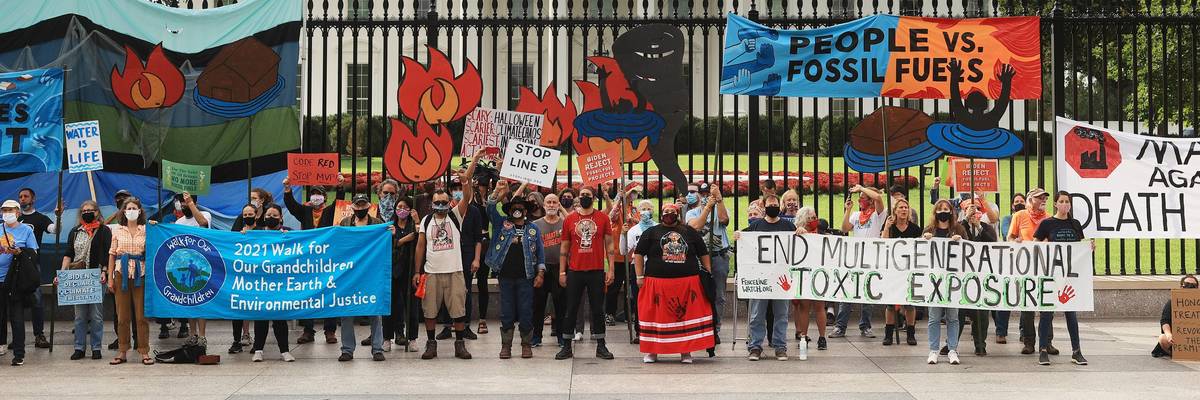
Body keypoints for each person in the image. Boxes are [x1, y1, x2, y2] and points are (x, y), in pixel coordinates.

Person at [415, 150, 484, 360]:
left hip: (454, 271)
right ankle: (431, 343)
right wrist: (417, 272)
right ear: (431, 203)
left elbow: (467, 195)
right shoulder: (426, 221)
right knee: (429, 311)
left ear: (449, 203)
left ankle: (460, 344)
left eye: (444, 202)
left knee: (458, 309)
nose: (441, 205)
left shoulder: (456, 216)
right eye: (437, 202)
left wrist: (467, 179)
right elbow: (420, 247)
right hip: (432, 272)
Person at [633, 203, 715, 364]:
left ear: (677, 214)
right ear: (661, 214)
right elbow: (638, 254)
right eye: (666, 211)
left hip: (686, 284)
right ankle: (652, 352)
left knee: (685, 317)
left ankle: (685, 352)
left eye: (672, 211)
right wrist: (639, 276)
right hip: (656, 283)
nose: (669, 214)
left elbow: (703, 252)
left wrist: (708, 270)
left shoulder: (689, 232)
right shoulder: (651, 232)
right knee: (655, 317)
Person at [484, 182, 545, 359]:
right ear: (509, 210)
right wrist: (497, 191)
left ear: (526, 211)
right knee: (507, 311)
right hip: (505, 276)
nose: (517, 210)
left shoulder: (533, 229)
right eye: (514, 208)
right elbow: (489, 208)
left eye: (521, 208)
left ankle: (526, 344)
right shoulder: (501, 224)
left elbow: (540, 253)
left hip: (526, 276)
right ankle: (506, 346)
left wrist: (540, 273)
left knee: (526, 311)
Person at [555, 186, 616, 360]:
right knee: (571, 309)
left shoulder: (602, 218)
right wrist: (561, 272)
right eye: (581, 195)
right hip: (575, 270)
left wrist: (610, 268)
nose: (584, 197)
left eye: (587, 195)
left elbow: (610, 246)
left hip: (596, 271)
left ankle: (601, 345)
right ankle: (566, 345)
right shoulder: (570, 219)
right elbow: (564, 248)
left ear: (593, 198)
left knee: (597, 309)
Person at [283, 177, 342, 344]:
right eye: (313, 194)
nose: (316, 196)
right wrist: (287, 189)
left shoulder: (330, 211)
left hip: (327, 259)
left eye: (319, 194)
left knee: (330, 293)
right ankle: (308, 331)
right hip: (309, 260)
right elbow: (292, 206)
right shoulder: (305, 212)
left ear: (325, 197)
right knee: (307, 294)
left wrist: (339, 187)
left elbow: (340, 203)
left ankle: (330, 331)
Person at [1033, 191, 1089, 366]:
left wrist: (1089, 247)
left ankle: (1076, 351)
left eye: (1067, 201)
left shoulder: (1075, 224)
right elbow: (1035, 244)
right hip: (1052, 274)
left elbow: (1080, 248)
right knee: (1046, 313)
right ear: (1056, 204)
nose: (1065, 204)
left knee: (1071, 314)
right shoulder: (1047, 223)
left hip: (1070, 277)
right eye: (1062, 201)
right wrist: (1044, 245)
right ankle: (1042, 350)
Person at [736, 194, 794, 361]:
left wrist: (800, 231)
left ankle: (780, 346)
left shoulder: (787, 226)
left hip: (781, 279)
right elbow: (744, 243)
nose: (773, 207)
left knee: (781, 314)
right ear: (764, 207)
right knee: (756, 315)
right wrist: (739, 236)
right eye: (770, 204)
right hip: (760, 279)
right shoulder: (755, 226)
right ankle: (755, 346)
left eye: (776, 204)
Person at [240, 204, 296, 362]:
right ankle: (258, 350)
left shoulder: (288, 233)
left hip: (280, 283)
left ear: (281, 218)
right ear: (263, 217)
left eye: (275, 216)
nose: (271, 218)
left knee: (280, 318)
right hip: (260, 282)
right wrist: (243, 235)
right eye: (268, 216)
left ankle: (285, 351)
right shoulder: (256, 234)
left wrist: (289, 238)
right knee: (261, 317)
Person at [338, 194, 388, 362]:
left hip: (372, 273)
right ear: (352, 207)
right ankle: (347, 349)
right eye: (357, 206)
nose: (360, 208)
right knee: (346, 311)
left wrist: (391, 233)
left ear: (368, 206)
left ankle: (377, 349)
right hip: (350, 274)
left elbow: (385, 245)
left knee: (375, 311)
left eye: (363, 205)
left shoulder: (378, 224)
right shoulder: (345, 223)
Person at [59, 201, 112, 360]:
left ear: (97, 212)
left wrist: (105, 272)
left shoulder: (104, 230)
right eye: (84, 210)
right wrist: (62, 273)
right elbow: (68, 253)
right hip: (78, 277)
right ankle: (79, 347)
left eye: (90, 210)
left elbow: (107, 253)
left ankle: (96, 347)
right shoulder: (75, 231)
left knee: (96, 315)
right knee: (80, 316)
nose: (87, 212)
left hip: (96, 276)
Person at [834, 184, 885, 339]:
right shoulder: (856, 215)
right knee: (848, 292)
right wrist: (847, 210)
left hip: (871, 258)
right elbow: (844, 228)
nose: (859, 200)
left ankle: (865, 326)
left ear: (869, 201)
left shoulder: (878, 214)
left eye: (862, 198)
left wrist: (861, 188)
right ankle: (840, 326)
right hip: (855, 258)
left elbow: (878, 197)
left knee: (867, 294)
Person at [107, 197, 151, 365]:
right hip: (121, 272)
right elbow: (112, 254)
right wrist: (110, 278)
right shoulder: (117, 230)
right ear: (124, 212)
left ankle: (144, 351)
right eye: (128, 208)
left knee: (141, 316)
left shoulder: (147, 230)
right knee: (122, 316)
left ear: (140, 211)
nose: (131, 211)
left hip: (141, 273)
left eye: (135, 208)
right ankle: (122, 350)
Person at [922, 199, 966, 365]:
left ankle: (952, 349)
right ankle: (933, 350)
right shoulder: (929, 230)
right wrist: (924, 239)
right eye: (940, 209)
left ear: (951, 212)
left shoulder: (958, 229)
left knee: (953, 317)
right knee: (934, 317)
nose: (943, 211)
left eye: (946, 209)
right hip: (934, 280)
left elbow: (970, 250)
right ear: (935, 212)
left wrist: (961, 240)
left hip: (953, 279)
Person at [685, 182, 730, 343]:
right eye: (702, 195)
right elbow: (696, 226)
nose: (705, 197)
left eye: (707, 194)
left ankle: (715, 329)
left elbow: (724, 220)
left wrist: (719, 199)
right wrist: (707, 208)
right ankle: (700, 327)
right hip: (698, 259)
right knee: (699, 294)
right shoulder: (691, 213)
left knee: (719, 295)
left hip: (719, 256)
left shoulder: (719, 209)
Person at [1009, 188, 1050, 355]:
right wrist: (1016, 241)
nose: (1043, 200)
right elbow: (1010, 238)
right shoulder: (1019, 216)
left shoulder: (1049, 218)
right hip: (1025, 267)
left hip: (1045, 266)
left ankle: (1047, 342)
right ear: (1031, 200)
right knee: (1027, 307)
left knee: (1047, 306)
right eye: (1040, 198)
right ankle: (1029, 342)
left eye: (1045, 198)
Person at [16, 188, 57, 349]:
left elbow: (55, 230)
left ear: (33, 199)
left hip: (32, 266)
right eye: (20, 197)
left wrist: (58, 217)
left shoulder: (40, 218)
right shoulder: (13, 219)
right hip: (12, 266)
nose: (22, 199)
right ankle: (17, 337)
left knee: (37, 299)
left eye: (26, 196)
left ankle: (39, 335)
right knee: (15, 301)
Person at [169, 192, 210, 346]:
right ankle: (192, 334)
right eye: (182, 203)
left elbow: (203, 223)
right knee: (189, 302)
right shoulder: (179, 222)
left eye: (186, 202)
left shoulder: (204, 214)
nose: (184, 205)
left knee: (201, 301)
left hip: (202, 264)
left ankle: (202, 336)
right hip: (185, 265)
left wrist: (191, 203)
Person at [0, 199, 38, 365]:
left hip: (15, 280)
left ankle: (19, 353)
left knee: (16, 317)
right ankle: (1, 345)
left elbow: (33, 254)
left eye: (11, 210)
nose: (7, 213)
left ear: (18, 212)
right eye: (4, 210)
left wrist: (19, 251)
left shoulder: (26, 230)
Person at [958, 199, 997, 356]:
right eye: (969, 209)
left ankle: (980, 344)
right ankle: (951, 343)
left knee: (981, 315)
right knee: (958, 313)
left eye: (976, 210)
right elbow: (955, 235)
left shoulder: (986, 228)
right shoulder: (960, 227)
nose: (973, 213)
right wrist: (967, 220)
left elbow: (992, 243)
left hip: (981, 278)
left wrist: (978, 226)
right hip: (962, 278)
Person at [880, 198, 920, 347]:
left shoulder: (915, 229)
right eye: (901, 207)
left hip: (909, 270)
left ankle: (911, 333)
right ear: (895, 211)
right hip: (892, 270)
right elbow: (882, 245)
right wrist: (886, 228)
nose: (904, 210)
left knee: (909, 303)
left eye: (906, 207)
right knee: (890, 304)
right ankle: (888, 333)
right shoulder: (890, 228)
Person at [383, 192, 420, 352]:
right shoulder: (390, 226)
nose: (402, 210)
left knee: (411, 307)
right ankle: (386, 338)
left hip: (410, 271)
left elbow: (420, 240)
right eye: (399, 207)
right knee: (390, 306)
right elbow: (388, 246)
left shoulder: (414, 226)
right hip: (393, 271)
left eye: (405, 207)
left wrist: (417, 221)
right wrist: (402, 240)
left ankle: (412, 338)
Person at [104, 190, 138, 350]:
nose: (122, 202)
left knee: (138, 310)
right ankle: (121, 340)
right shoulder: (113, 227)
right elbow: (102, 225)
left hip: (137, 272)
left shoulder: (142, 227)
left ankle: (139, 340)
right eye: (119, 200)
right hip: (119, 271)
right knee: (119, 311)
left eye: (125, 200)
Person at [791, 206, 828, 353]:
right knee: (804, 307)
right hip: (804, 274)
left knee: (819, 306)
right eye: (810, 218)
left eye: (815, 217)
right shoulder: (796, 232)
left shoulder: (821, 231)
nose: (814, 220)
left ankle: (822, 337)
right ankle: (803, 336)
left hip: (819, 273)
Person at [619, 199, 656, 343]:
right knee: (639, 300)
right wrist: (623, 234)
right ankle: (640, 331)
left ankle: (655, 328)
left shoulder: (658, 227)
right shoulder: (633, 230)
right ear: (638, 212)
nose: (646, 211)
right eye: (643, 209)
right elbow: (623, 250)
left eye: (649, 208)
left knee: (655, 300)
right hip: (638, 269)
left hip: (655, 268)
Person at [532, 193, 565, 348]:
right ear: (544, 206)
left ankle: (561, 336)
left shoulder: (565, 223)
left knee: (560, 305)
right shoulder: (536, 225)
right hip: (541, 268)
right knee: (538, 304)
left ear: (558, 205)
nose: (551, 205)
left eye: (554, 202)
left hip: (559, 267)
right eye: (548, 202)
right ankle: (536, 337)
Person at [993, 193, 1025, 344]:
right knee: (1006, 297)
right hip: (1010, 263)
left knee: (1025, 298)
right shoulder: (1007, 219)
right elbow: (1007, 234)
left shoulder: (1029, 218)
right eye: (1017, 201)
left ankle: (1024, 332)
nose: (1019, 203)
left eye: (1022, 201)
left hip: (1027, 263)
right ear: (1012, 205)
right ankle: (1001, 331)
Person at [228, 204, 260, 354]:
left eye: (250, 214)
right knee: (238, 309)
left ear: (256, 214)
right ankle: (236, 341)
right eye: (245, 214)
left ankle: (257, 343)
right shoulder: (236, 233)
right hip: (240, 276)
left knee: (257, 310)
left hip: (258, 277)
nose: (248, 216)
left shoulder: (262, 231)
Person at [1153, 275, 1199, 358]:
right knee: (1163, 338)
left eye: (1193, 285)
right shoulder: (1172, 302)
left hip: (1196, 339)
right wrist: (1168, 334)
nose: (1190, 287)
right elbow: (1165, 321)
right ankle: (1178, 353)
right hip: (1177, 338)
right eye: (1187, 284)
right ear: (1181, 287)